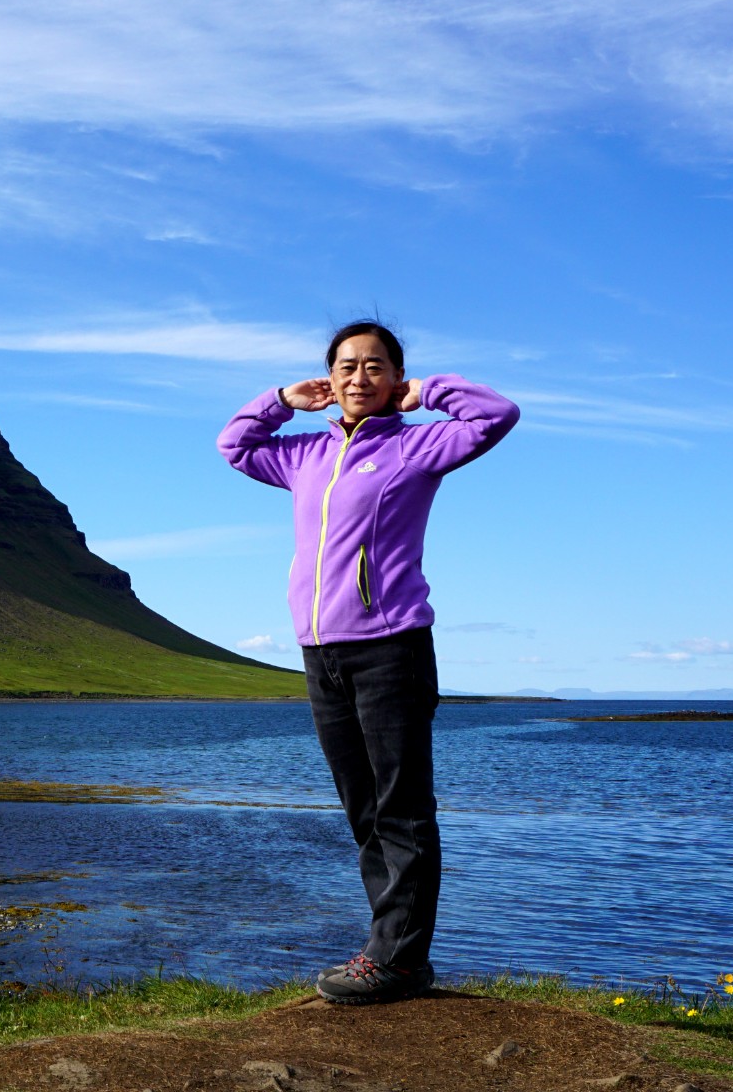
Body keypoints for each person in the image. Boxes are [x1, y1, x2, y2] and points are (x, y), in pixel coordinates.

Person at [217, 319, 520, 1005]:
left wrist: (429, 392)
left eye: (376, 366)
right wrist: (280, 400)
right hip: (320, 652)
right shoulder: (303, 457)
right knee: (362, 809)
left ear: (395, 378)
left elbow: (497, 414)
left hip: (392, 648)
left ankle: (401, 960)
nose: (360, 377)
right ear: (330, 378)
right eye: (348, 366)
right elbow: (234, 447)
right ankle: (386, 949)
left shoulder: (418, 447)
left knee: (401, 808)